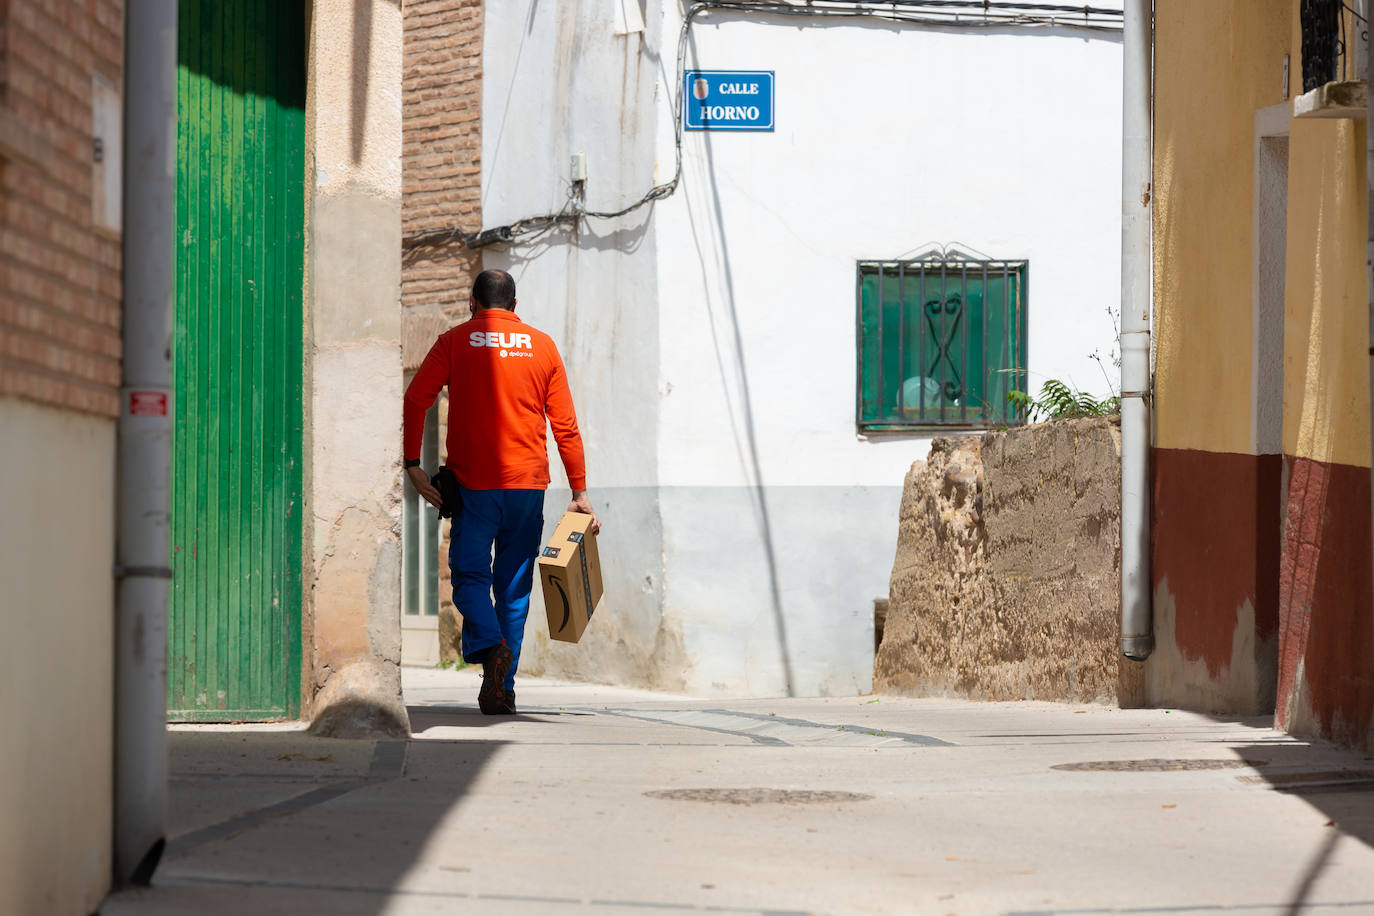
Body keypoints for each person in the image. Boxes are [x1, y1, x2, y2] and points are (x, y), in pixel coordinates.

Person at [403, 269, 600, 715]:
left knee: (470, 579)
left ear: (473, 302)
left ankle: (491, 649)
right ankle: (501, 689)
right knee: (514, 588)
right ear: (514, 305)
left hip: (475, 488)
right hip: (528, 488)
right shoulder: (543, 346)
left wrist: (414, 465)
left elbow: (416, 398)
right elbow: (565, 427)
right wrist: (580, 492)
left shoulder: (454, 341)